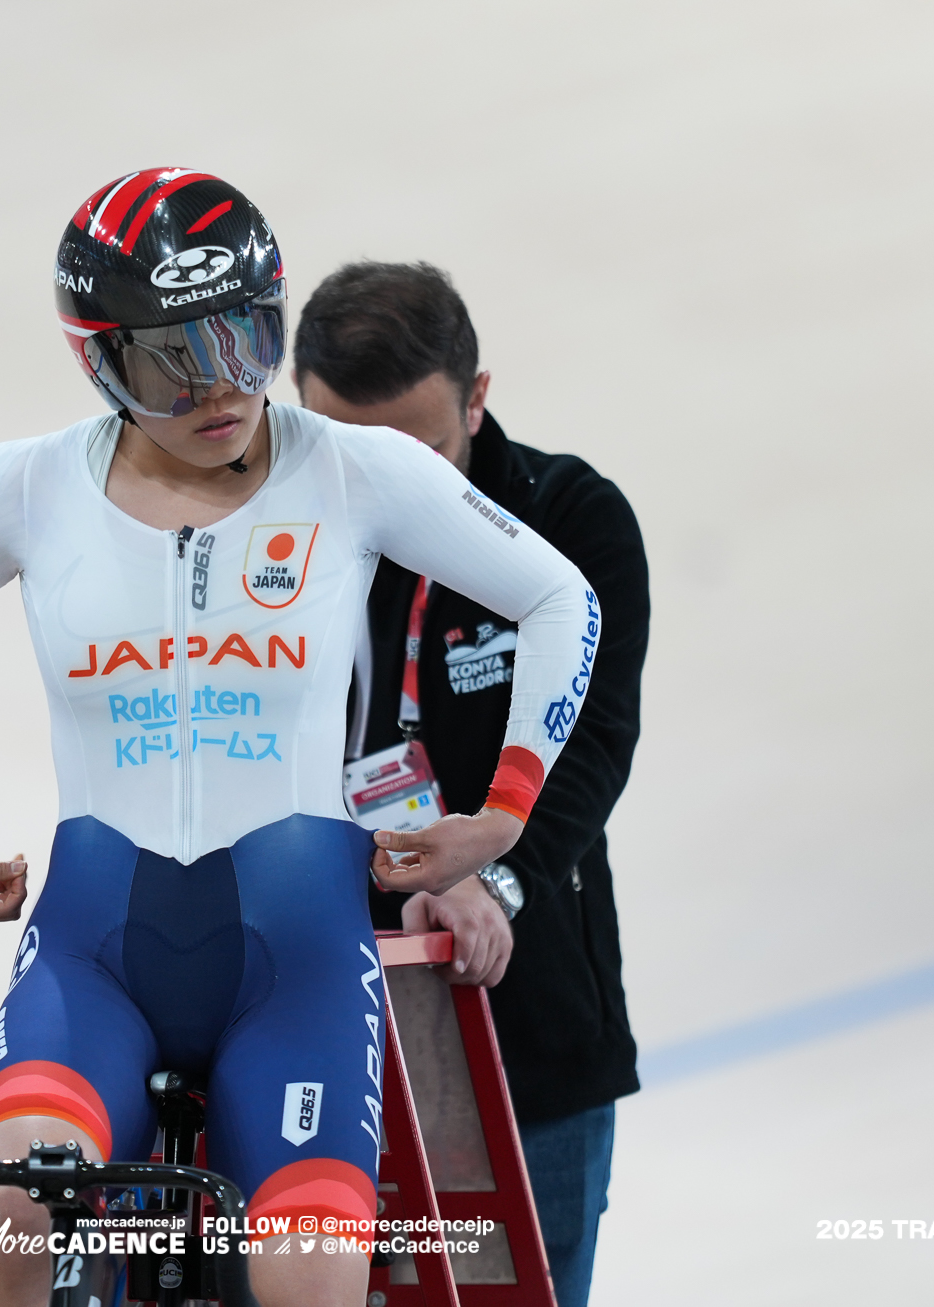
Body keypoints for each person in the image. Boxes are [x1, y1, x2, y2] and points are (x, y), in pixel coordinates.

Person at [0, 170, 602, 1307]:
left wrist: (503, 813)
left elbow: (560, 600)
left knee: (311, 1285)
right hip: (98, 950)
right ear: (99, 361)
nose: (218, 385)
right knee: (13, 1227)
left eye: (246, 335)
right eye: (167, 359)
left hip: (295, 962)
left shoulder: (352, 468)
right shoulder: (27, 486)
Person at [296, 262, 648, 1307]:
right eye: (356, 456)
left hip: (516, 1019)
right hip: (325, 1027)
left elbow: (593, 741)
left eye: (424, 452)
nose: (393, 492)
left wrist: (496, 878)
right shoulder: (277, 532)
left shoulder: (566, 519)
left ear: (478, 396)